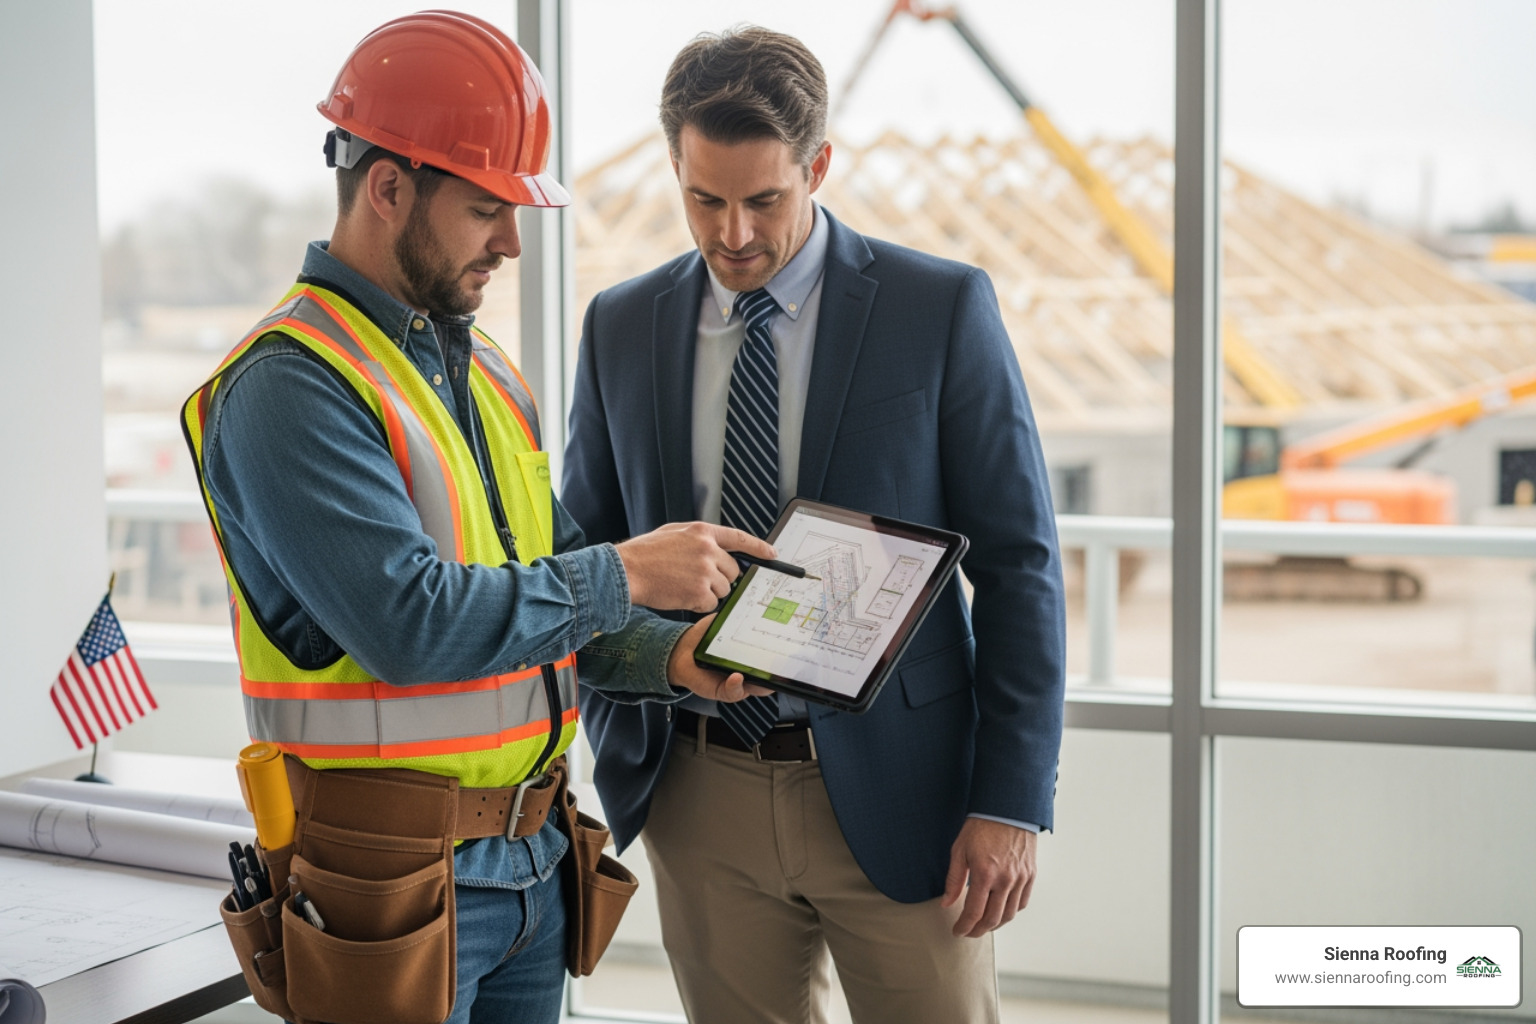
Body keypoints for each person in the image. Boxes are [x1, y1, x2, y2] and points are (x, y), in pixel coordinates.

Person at [179, 12, 772, 1024]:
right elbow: (413, 625)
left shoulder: (485, 371)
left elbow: (546, 602)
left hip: (535, 864)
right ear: (388, 187)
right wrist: (628, 571)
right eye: (485, 208)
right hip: (386, 887)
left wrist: (670, 660)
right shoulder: (290, 385)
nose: (509, 240)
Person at [562, 25, 1067, 1024]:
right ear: (674, 165)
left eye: (765, 199)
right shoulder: (621, 325)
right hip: (697, 789)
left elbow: (1020, 564)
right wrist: (667, 655)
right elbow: (586, 563)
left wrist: (1008, 800)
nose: (735, 232)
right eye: (704, 198)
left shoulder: (940, 308)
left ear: (819, 165)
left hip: (905, 791)